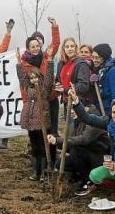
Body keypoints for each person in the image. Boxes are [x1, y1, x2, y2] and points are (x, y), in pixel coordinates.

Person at [47, 105, 110, 186]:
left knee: (75, 152)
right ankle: (78, 176)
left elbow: (83, 140)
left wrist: (57, 140)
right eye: (70, 109)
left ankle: (88, 181)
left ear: (83, 108)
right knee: (60, 164)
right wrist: (56, 140)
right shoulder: (75, 123)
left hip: (98, 157)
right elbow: (70, 142)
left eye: (74, 109)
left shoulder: (93, 121)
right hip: (85, 154)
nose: (72, 112)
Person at [17, 45, 54, 180]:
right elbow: (22, 78)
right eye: (31, 78)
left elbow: (49, 78)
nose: (34, 80)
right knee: (34, 146)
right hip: (30, 122)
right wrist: (18, 64)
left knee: (43, 145)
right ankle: (35, 171)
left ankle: (44, 171)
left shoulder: (44, 90)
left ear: (40, 77)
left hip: (42, 122)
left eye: (36, 77)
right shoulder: (28, 89)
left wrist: (50, 61)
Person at [69, 87, 115, 191]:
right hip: (112, 165)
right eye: (114, 112)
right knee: (94, 175)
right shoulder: (109, 123)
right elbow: (88, 118)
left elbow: (84, 139)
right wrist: (76, 100)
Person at [56, 38, 90, 108]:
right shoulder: (61, 63)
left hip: (78, 102)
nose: (70, 49)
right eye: (67, 47)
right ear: (63, 49)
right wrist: (56, 85)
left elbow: (84, 86)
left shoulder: (82, 64)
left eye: (72, 46)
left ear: (75, 48)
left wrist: (66, 89)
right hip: (66, 101)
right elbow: (58, 80)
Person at [92, 44, 115, 116]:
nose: (94, 60)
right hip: (103, 107)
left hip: (109, 111)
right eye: (93, 57)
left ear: (104, 57)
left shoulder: (112, 71)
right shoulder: (103, 69)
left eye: (97, 58)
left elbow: (114, 95)